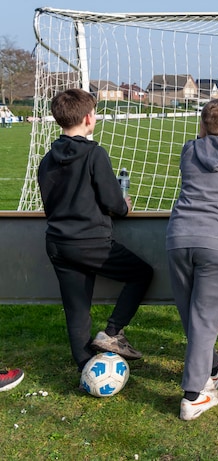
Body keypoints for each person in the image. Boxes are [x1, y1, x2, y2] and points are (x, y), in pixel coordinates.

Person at [37, 89, 153, 373]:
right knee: (142, 273)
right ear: (89, 118)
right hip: (90, 241)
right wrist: (123, 206)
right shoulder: (94, 154)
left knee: (76, 308)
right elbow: (113, 202)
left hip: (57, 242)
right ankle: (113, 332)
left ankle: (85, 368)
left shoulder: (47, 159)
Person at [166, 99, 218, 421]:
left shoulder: (189, 151)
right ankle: (193, 395)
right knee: (203, 320)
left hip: (178, 239)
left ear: (201, 125)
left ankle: (212, 368)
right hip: (216, 242)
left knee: (192, 315)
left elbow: (204, 142)